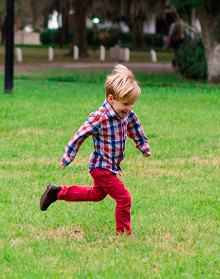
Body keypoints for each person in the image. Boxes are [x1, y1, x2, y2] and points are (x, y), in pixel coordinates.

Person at [38, 64, 152, 235]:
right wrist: (68, 156)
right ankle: (123, 234)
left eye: (132, 104)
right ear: (111, 98)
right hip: (101, 168)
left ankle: (57, 192)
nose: (129, 108)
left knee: (96, 195)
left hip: (109, 167)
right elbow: (80, 135)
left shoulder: (126, 114)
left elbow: (134, 126)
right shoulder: (100, 118)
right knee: (124, 199)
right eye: (126, 104)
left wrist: (142, 145)